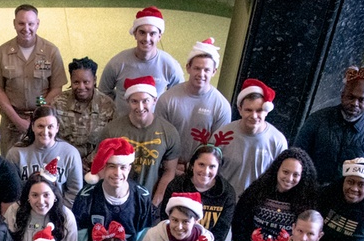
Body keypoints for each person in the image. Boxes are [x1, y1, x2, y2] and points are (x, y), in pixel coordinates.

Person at [0, 4, 67, 154]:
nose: (26, 28)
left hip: (43, 121)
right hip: (11, 123)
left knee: (43, 166)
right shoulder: (2, 52)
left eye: (30, 23)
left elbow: (56, 87)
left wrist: (39, 110)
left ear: (37, 24)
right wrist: (17, 120)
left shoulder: (51, 51)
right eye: (21, 23)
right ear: (14, 24)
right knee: (11, 165)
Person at [226, 147, 318, 241]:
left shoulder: (307, 200)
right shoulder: (257, 190)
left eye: (295, 174)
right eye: (285, 172)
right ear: (277, 169)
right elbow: (239, 224)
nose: (289, 178)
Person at [294, 65, 364, 185]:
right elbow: (297, 155)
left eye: (361, 100)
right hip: (312, 188)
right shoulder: (317, 119)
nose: (355, 103)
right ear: (342, 95)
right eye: (350, 97)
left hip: (347, 197)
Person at [73, 137, 156, 241]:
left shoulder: (142, 197)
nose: (117, 173)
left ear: (129, 168)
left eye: (123, 167)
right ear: (102, 168)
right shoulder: (86, 197)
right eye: (111, 166)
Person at [96, 76, 180, 205]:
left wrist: (157, 199)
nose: (140, 107)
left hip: (150, 202)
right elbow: (100, 165)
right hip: (116, 200)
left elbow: (170, 171)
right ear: (128, 102)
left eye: (145, 101)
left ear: (154, 100)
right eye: (134, 101)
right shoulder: (112, 130)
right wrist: (111, 194)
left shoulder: (169, 132)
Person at [154, 38, 231, 172]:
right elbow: (158, 138)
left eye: (206, 70)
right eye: (197, 68)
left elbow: (217, 147)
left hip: (201, 173)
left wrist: (193, 167)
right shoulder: (167, 99)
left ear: (214, 71)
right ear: (188, 67)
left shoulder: (221, 106)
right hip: (166, 168)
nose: (201, 74)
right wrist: (171, 166)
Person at [98, 6, 184, 116]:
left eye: (152, 33)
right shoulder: (117, 63)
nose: (147, 38)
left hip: (154, 128)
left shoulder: (170, 65)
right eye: (142, 32)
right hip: (121, 127)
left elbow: (178, 97)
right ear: (135, 34)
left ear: (159, 36)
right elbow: (103, 93)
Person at [213, 78, 287, 197]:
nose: (254, 115)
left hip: (257, 205)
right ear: (240, 110)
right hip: (223, 200)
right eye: (248, 110)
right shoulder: (221, 135)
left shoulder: (278, 141)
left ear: (266, 111)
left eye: (259, 111)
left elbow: (280, 180)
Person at [5, 172, 78, 241]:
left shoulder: (66, 217)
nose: (41, 201)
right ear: (28, 196)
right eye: (35, 195)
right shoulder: (14, 211)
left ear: (55, 195)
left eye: (46, 195)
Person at [5, 105, 84, 206]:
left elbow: (75, 192)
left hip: (59, 213)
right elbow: (11, 191)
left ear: (57, 128)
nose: (45, 132)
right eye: (40, 126)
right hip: (25, 211)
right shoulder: (16, 154)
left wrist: (60, 213)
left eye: (50, 126)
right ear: (33, 126)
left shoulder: (70, 154)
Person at [159, 145, 236, 241]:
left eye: (212, 166)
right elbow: (166, 219)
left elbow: (221, 232)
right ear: (192, 165)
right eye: (201, 164)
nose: (205, 171)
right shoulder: (176, 186)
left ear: (218, 168)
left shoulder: (227, 193)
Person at [53, 57, 116, 164]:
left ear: (95, 80)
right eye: (76, 82)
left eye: (86, 82)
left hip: (95, 165)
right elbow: (52, 139)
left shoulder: (107, 105)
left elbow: (110, 141)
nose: (81, 87)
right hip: (63, 162)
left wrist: (88, 163)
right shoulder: (58, 103)